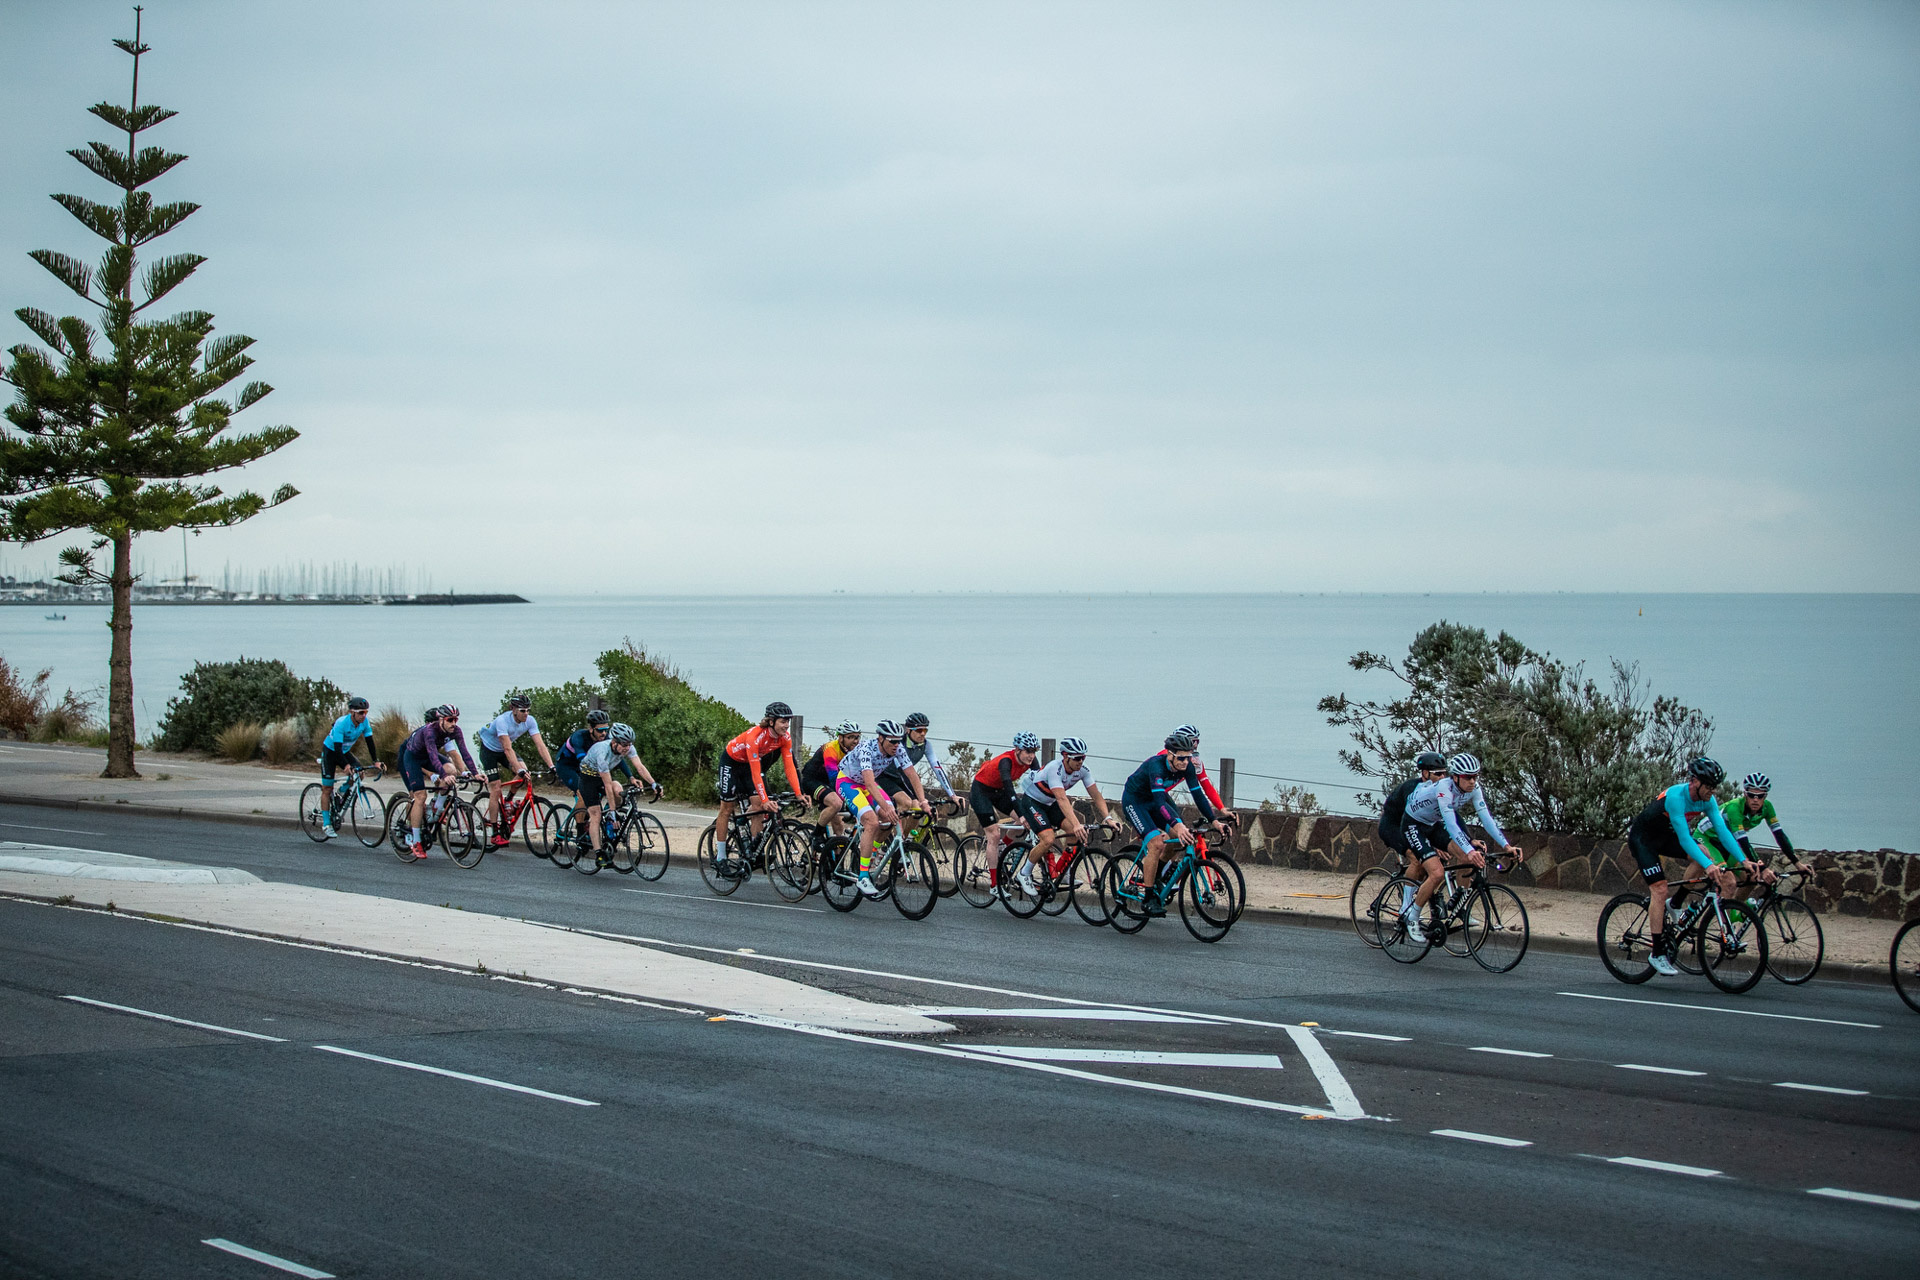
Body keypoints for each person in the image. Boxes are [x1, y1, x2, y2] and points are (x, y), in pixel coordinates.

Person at [1625, 757, 1749, 976]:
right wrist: (1709, 866)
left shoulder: (1707, 800)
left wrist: (1744, 860)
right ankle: (1657, 953)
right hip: (1643, 839)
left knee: (1703, 853)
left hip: (1665, 837)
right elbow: (1684, 839)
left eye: (1714, 786)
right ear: (1694, 782)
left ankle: (1677, 902)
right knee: (1660, 889)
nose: (1712, 790)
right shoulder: (1676, 797)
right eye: (1708, 786)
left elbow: (1723, 832)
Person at [1398, 753, 1524, 943]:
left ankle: (1459, 909)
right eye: (1468, 777)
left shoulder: (1474, 788)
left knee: (1466, 859)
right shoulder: (1443, 788)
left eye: (1475, 776)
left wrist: (1507, 845)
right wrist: (1470, 849)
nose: (1472, 781)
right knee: (1437, 873)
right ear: (1455, 777)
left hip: (1433, 824)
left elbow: (1486, 818)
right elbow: (1451, 824)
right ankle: (1412, 916)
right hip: (1413, 825)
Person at [1120, 731, 1226, 916]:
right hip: (1135, 801)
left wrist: (1215, 821)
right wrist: (1177, 824)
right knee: (1156, 843)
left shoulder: (1188, 767)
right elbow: (1161, 802)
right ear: (1169, 754)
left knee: (1178, 839)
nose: (1185, 762)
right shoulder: (1156, 766)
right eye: (1181, 758)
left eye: (1188, 758)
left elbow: (1198, 795)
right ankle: (1149, 897)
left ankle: (1158, 874)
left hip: (1154, 802)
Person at [1012, 737, 1114, 898]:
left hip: (1049, 803)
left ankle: (1061, 872)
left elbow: (1096, 795)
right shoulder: (1055, 769)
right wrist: (1077, 824)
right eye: (1077, 758)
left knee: (1073, 832)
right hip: (1032, 801)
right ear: (1065, 756)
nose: (1081, 761)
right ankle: (1024, 873)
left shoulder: (1083, 770)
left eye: (1083, 757)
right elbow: (1062, 799)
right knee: (1048, 839)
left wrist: (1108, 818)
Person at [837, 719, 929, 897]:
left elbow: (912, 775)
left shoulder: (898, 749)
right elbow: (870, 783)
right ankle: (863, 876)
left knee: (888, 819)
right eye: (892, 741)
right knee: (872, 821)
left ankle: (870, 852)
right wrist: (886, 807)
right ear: (880, 738)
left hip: (867, 785)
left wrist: (923, 800)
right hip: (849, 782)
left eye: (899, 740)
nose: (896, 745)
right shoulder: (866, 749)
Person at [714, 702, 804, 870]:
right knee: (727, 808)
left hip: (748, 765)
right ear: (771, 722)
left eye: (788, 721)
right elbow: (756, 773)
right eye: (783, 721)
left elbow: (789, 766)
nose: (787, 725)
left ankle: (754, 850)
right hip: (731, 763)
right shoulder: (755, 736)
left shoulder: (785, 738)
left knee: (759, 806)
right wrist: (765, 799)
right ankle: (720, 857)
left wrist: (799, 793)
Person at [399, 706, 478, 861]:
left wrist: (474, 773)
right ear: (441, 719)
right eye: (450, 720)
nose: (453, 723)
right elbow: (433, 755)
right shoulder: (429, 731)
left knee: (451, 769)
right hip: (413, 757)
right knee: (420, 796)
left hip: (428, 757)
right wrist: (441, 775)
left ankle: (437, 806)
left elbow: (464, 752)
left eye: (456, 719)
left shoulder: (456, 730)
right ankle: (416, 841)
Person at [476, 695, 557, 847]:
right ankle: (495, 832)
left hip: (505, 750)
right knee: (496, 787)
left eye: (528, 710)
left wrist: (552, 766)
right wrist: (518, 769)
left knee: (525, 775)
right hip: (489, 751)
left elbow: (540, 745)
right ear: (513, 710)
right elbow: (507, 748)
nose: (526, 714)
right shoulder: (502, 721)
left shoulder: (530, 721)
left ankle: (507, 801)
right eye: (522, 710)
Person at [1697, 772, 1808, 880]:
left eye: (1760, 796)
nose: (1755, 799)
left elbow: (1779, 835)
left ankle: (1735, 900)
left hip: (1728, 843)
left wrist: (1797, 863)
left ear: (1765, 796)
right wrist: (1763, 868)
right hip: (1707, 838)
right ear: (1745, 794)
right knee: (1727, 878)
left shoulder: (1767, 807)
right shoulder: (1734, 808)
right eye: (1751, 795)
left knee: (1752, 878)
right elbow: (1743, 841)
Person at [577, 722, 658, 865]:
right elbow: (607, 785)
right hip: (588, 779)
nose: (627, 748)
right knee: (596, 814)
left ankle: (609, 820)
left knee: (619, 789)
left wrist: (653, 783)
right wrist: (613, 811)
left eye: (629, 744)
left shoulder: (627, 748)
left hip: (602, 776)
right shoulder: (602, 752)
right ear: (614, 742)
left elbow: (640, 767)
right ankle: (598, 853)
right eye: (624, 745)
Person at [970, 733, 1041, 870]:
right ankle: (994, 884)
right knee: (994, 835)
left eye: (1034, 751)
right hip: (981, 791)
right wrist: (1020, 814)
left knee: (1027, 818)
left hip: (998, 791)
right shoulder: (1006, 761)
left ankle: (1004, 846)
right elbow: (1010, 790)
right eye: (1028, 751)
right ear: (1018, 750)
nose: (1031, 756)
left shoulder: (1031, 761)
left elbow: (1039, 783)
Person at [316, 696, 382, 840]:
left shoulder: (364, 723)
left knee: (359, 773)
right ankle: (326, 824)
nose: (364, 715)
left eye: (366, 712)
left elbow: (370, 742)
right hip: (331, 752)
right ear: (352, 712)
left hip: (344, 752)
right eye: (361, 713)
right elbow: (337, 749)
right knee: (327, 788)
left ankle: (342, 790)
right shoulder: (341, 724)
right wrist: (346, 765)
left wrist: (376, 761)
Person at [1162, 723, 1240, 832]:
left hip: (1162, 794)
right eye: (1193, 741)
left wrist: (1222, 809)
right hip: (1149, 795)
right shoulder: (1165, 757)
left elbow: (1206, 786)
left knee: (1180, 830)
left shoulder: (1194, 761)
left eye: (1197, 742)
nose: (1195, 746)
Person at [877, 712, 957, 811]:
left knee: (923, 808)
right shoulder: (898, 744)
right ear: (908, 730)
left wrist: (953, 795)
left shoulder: (926, 745)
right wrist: (917, 798)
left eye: (925, 730)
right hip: (883, 776)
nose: (923, 733)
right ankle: (897, 826)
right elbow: (904, 773)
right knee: (910, 803)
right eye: (919, 730)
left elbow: (937, 768)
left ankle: (909, 827)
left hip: (899, 778)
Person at [799, 720, 861, 837]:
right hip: (812, 781)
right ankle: (816, 835)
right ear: (841, 738)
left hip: (827, 782)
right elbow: (833, 778)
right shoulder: (831, 749)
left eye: (857, 737)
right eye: (851, 737)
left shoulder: (854, 752)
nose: (855, 741)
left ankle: (837, 852)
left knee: (838, 824)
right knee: (836, 803)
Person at [553, 709, 612, 807]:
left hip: (584, 768)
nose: (604, 733)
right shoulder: (579, 737)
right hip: (567, 767)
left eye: (606, 729)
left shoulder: (605, 738)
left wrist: (630, 776)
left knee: (610, 789)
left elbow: (618, 759)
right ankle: (580, 822)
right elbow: (582, 759)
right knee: (584, 792)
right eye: (600, 730)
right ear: (591, 729)